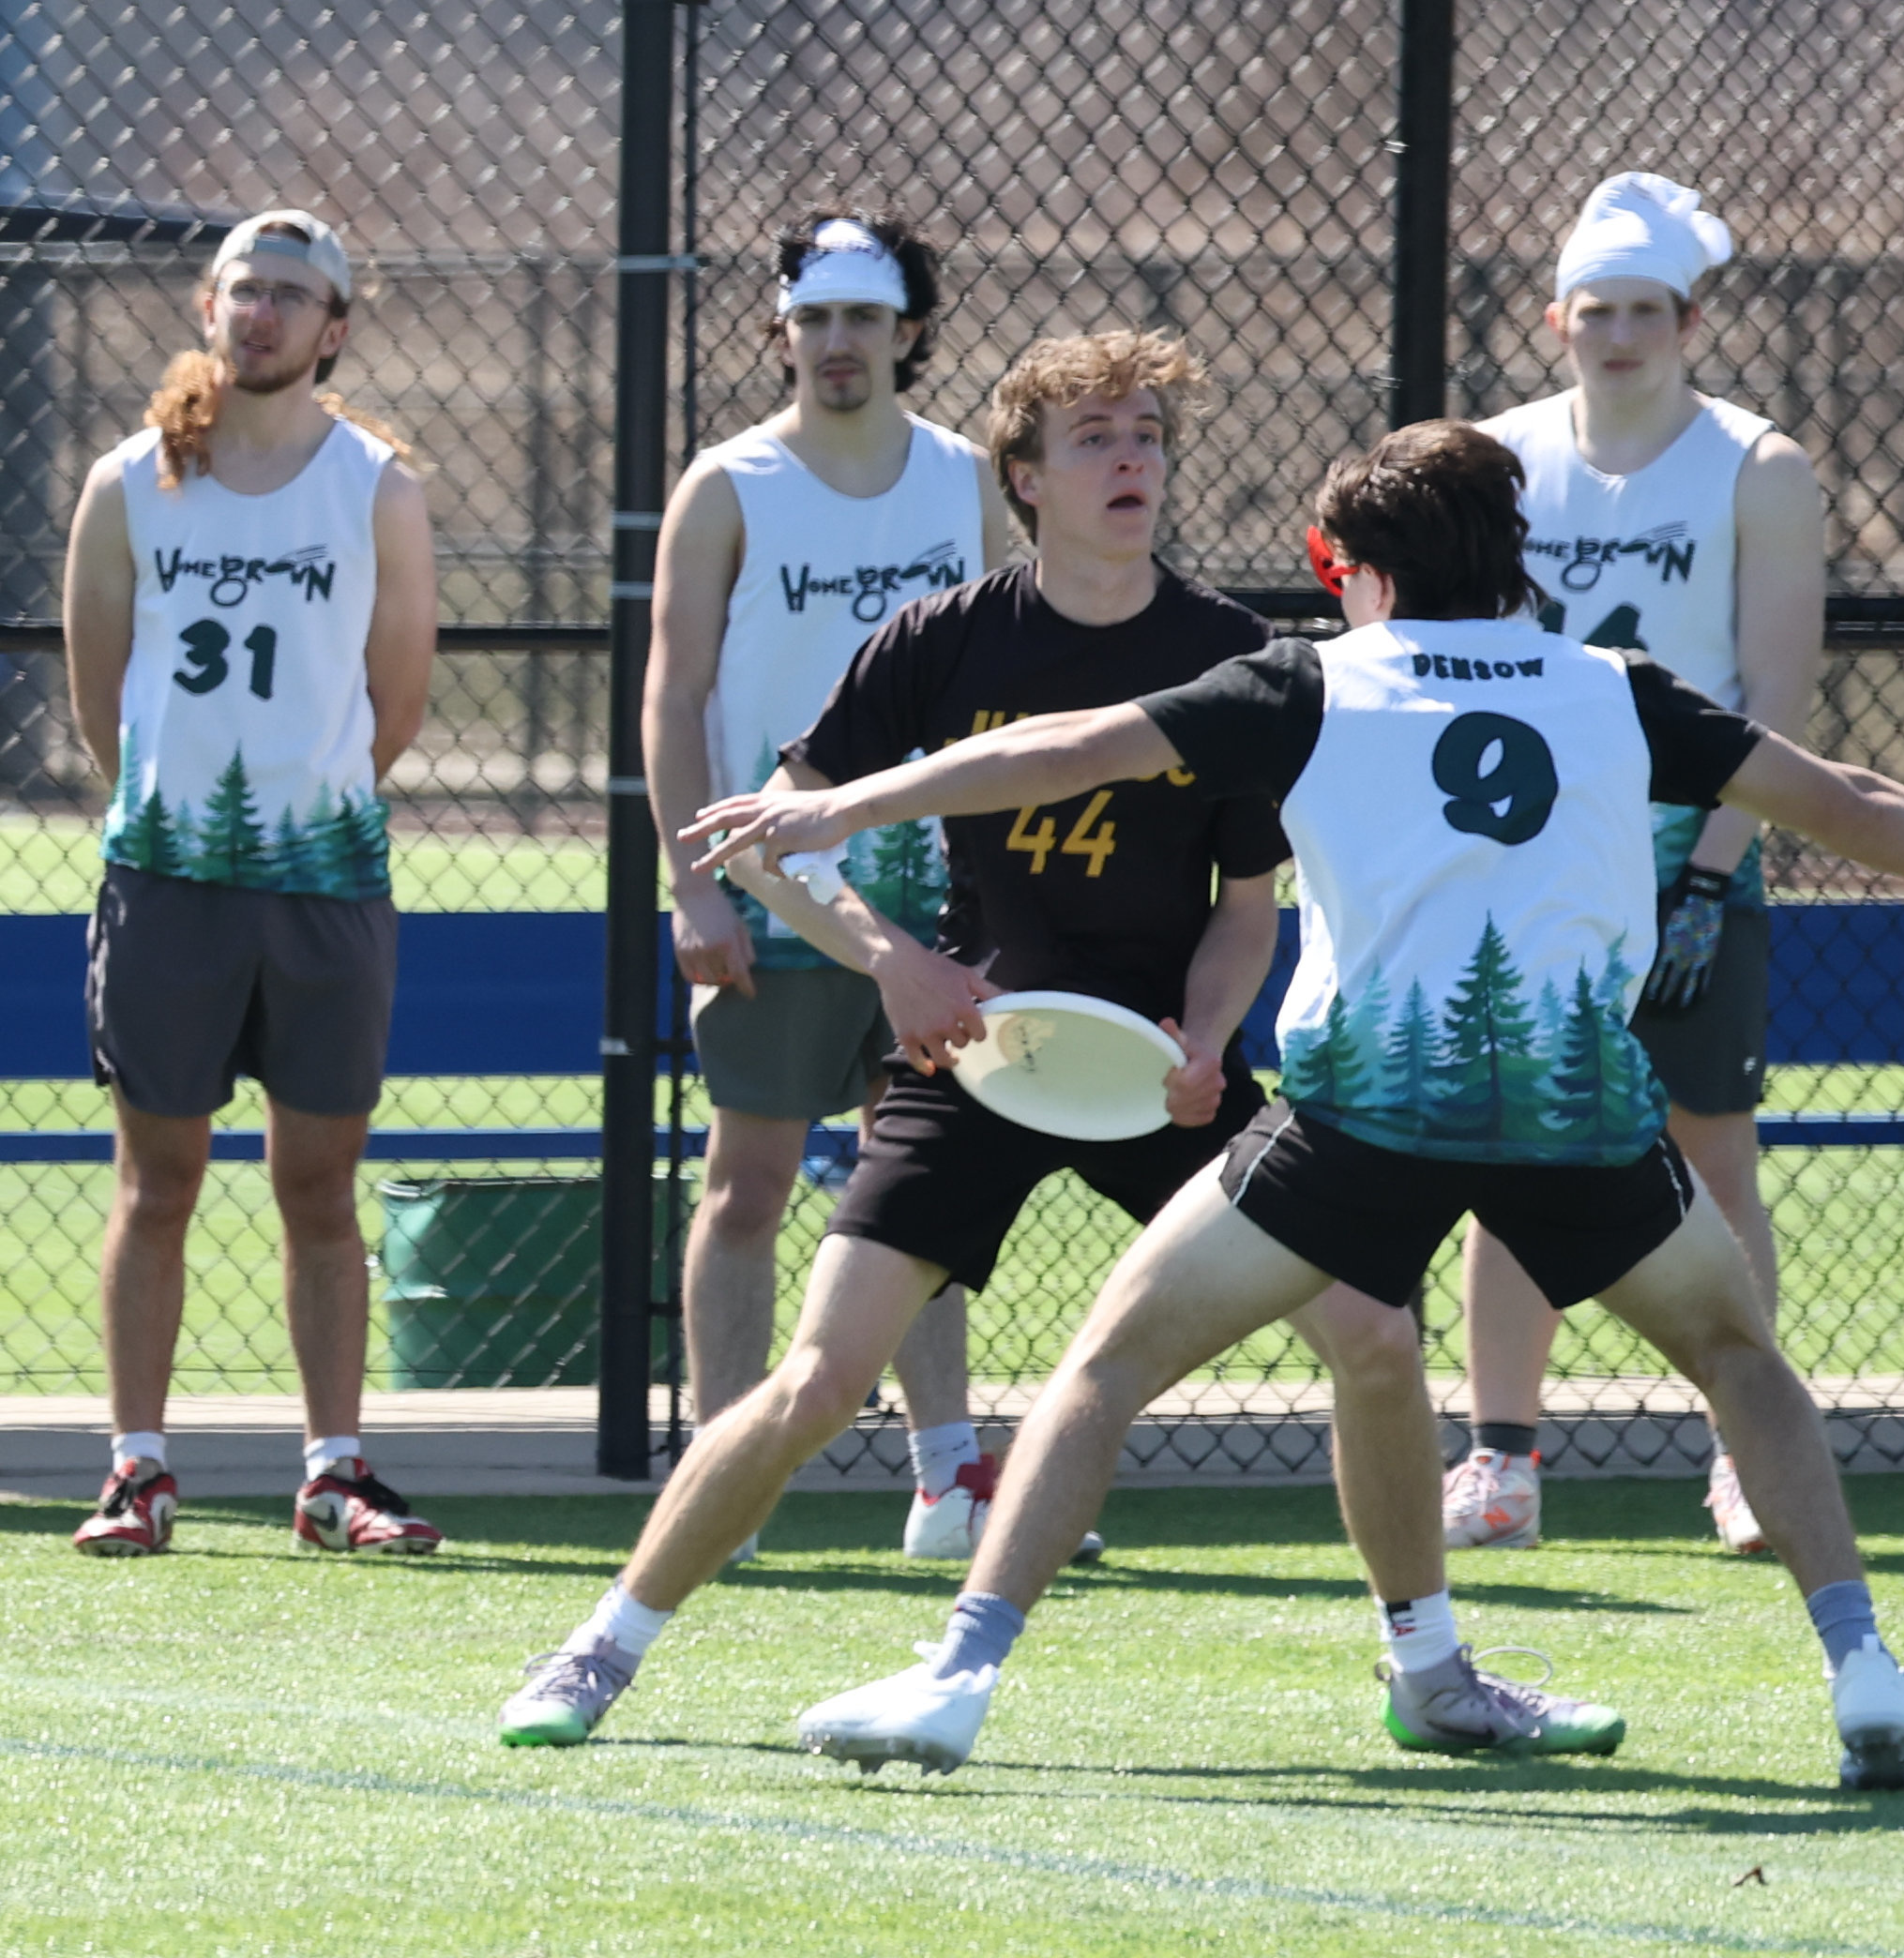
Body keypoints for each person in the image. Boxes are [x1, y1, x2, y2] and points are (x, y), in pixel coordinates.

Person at [718, 420, 1904, 1786]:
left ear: (1352, 570)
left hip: (1362, 1122)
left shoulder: (1308, 682)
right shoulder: (1619, 690)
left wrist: (840, 805)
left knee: (1104, 1366)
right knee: (1740, 1358)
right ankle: (1864, 1671)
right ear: (1513, 553)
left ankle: (958, 1681)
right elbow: (1851, 799)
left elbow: (1064, 746)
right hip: (1575, 1113)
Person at [497, 330, 1433, 1746]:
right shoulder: (939, 640)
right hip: (974, 1056)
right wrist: (896, 964)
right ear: (1026, 479)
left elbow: (1247, 910)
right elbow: (767, 844)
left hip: (1161, 1077)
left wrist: (1206, 1038)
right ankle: (598, 1652)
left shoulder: (1232, 656)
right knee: (820, 1378)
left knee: (1369, 1328)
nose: (1131, 459)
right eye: (1095, 439)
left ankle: (1433, 1668)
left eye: (1147, 435)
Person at [1446, 173, 1823, 1556]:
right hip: (1526, 872)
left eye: (1644, 311)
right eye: (1594, 311)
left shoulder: (1757, 466)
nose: (1618, 335)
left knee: (1712, 1155)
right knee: (1508, 1155)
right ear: (1555, 321)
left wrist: (1708, 876)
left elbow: (1775, 694)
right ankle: (1498, 1464)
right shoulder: (1496, 459)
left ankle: (1743, 1458)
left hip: (1688, 870)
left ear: (1689, 321)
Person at [61, 209, 441, 1555]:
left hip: (324, 885)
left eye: (291, 293)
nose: (262, 312)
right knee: (156, 1182)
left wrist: (301, 815)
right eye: (244, 289)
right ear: (208, 307)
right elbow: (99, 698)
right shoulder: (129, 481)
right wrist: (181, 819)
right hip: (168, 884)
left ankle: (335, 1477)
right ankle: (138, 1471)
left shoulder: (378, 488)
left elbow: (396, 700)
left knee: (319, 1187)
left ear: (334, 328)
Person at [644, 207, 1014, 1560]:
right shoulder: (729, 483)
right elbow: (672, 693)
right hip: (774, 897)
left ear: (908, 331)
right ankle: (725, 1482)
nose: (837, 341)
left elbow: (1012, 680)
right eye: (813, 317)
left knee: (916, 1183)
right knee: (746, 1187)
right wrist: (696, 889)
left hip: (934, 905)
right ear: (781, 331)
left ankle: (946, 1479)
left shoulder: (967, 479)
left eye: (863, 316)